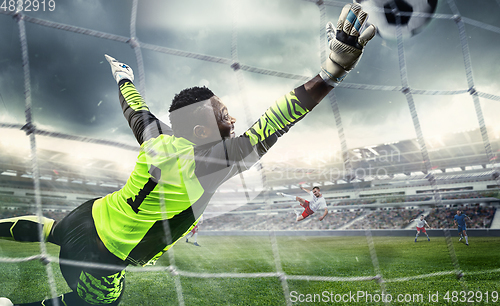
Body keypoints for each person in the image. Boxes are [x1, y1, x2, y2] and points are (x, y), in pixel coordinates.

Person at [0, 3, 376, 305]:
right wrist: (331, 72)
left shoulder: (156, 138)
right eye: (225, 116)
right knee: (99, 302)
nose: (234, 120)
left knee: (51, 229)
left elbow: (135, 109)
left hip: (89, 215)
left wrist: (123, 78)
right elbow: (275, 120)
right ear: (202, 131)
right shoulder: (212, 163)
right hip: (105, 255)